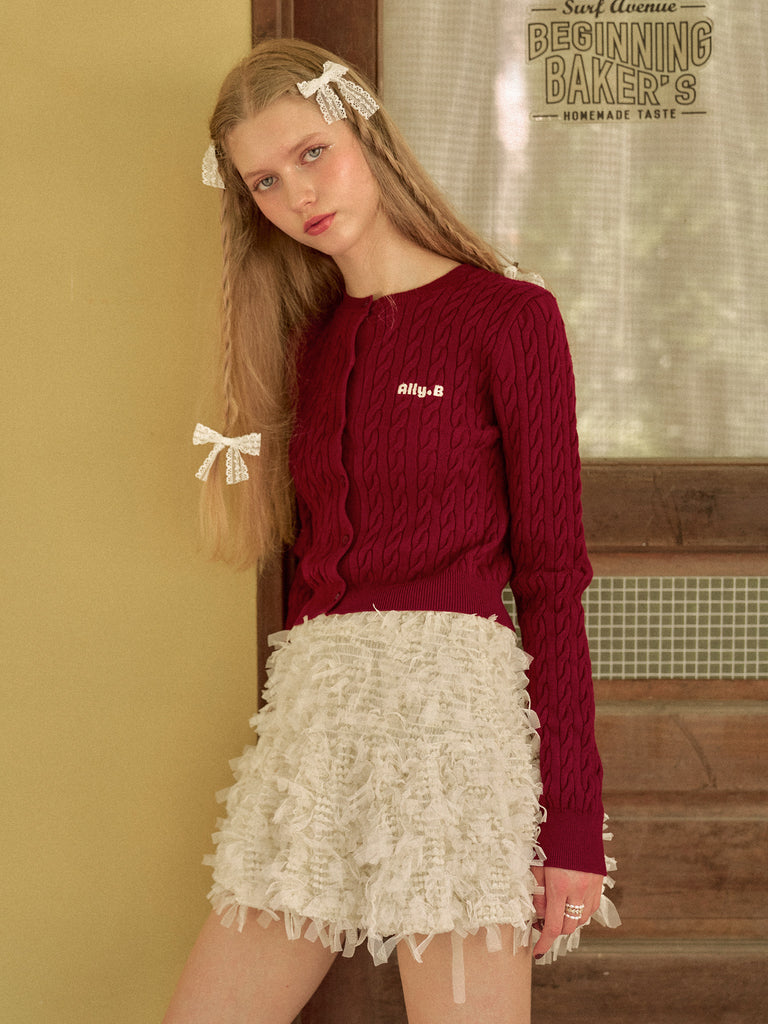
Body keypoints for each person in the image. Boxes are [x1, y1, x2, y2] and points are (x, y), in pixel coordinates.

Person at [165, 37, 619, 1024]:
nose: (298, 194)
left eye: (312, 153)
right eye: (265, 181)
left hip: (455, 727)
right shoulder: (302, 345)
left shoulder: (509, 317)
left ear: (364, 131)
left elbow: (551, 582)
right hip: (314, 720)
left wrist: (574, 828)